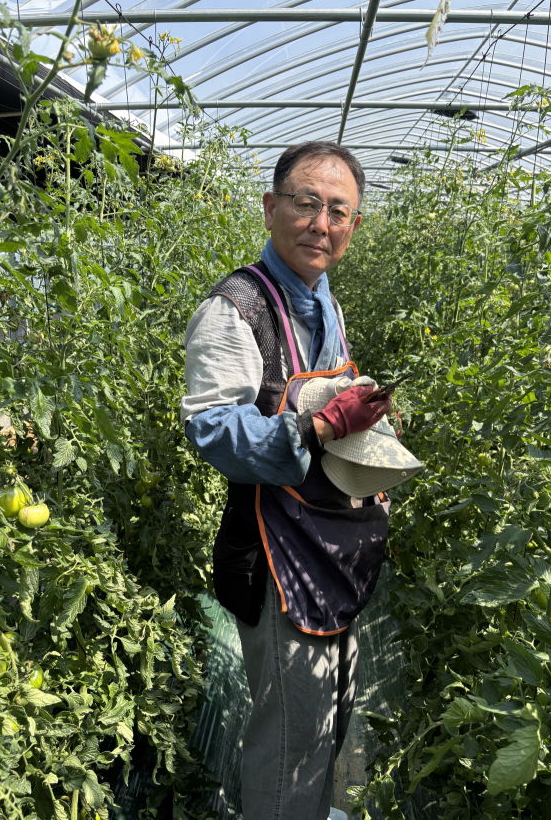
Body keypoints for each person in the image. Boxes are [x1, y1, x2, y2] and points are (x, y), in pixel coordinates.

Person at [180, 141, 393, 820]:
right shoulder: (237, 309)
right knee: (291, 735)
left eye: (338, 211)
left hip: (330, 543)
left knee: (329, 709)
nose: (320, 223)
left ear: (355, 227)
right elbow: (214, 431)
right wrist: (320, 429)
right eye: (306, 203)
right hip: (277, 555)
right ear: (271, 207)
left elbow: (326, 393)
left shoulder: (321, 299)